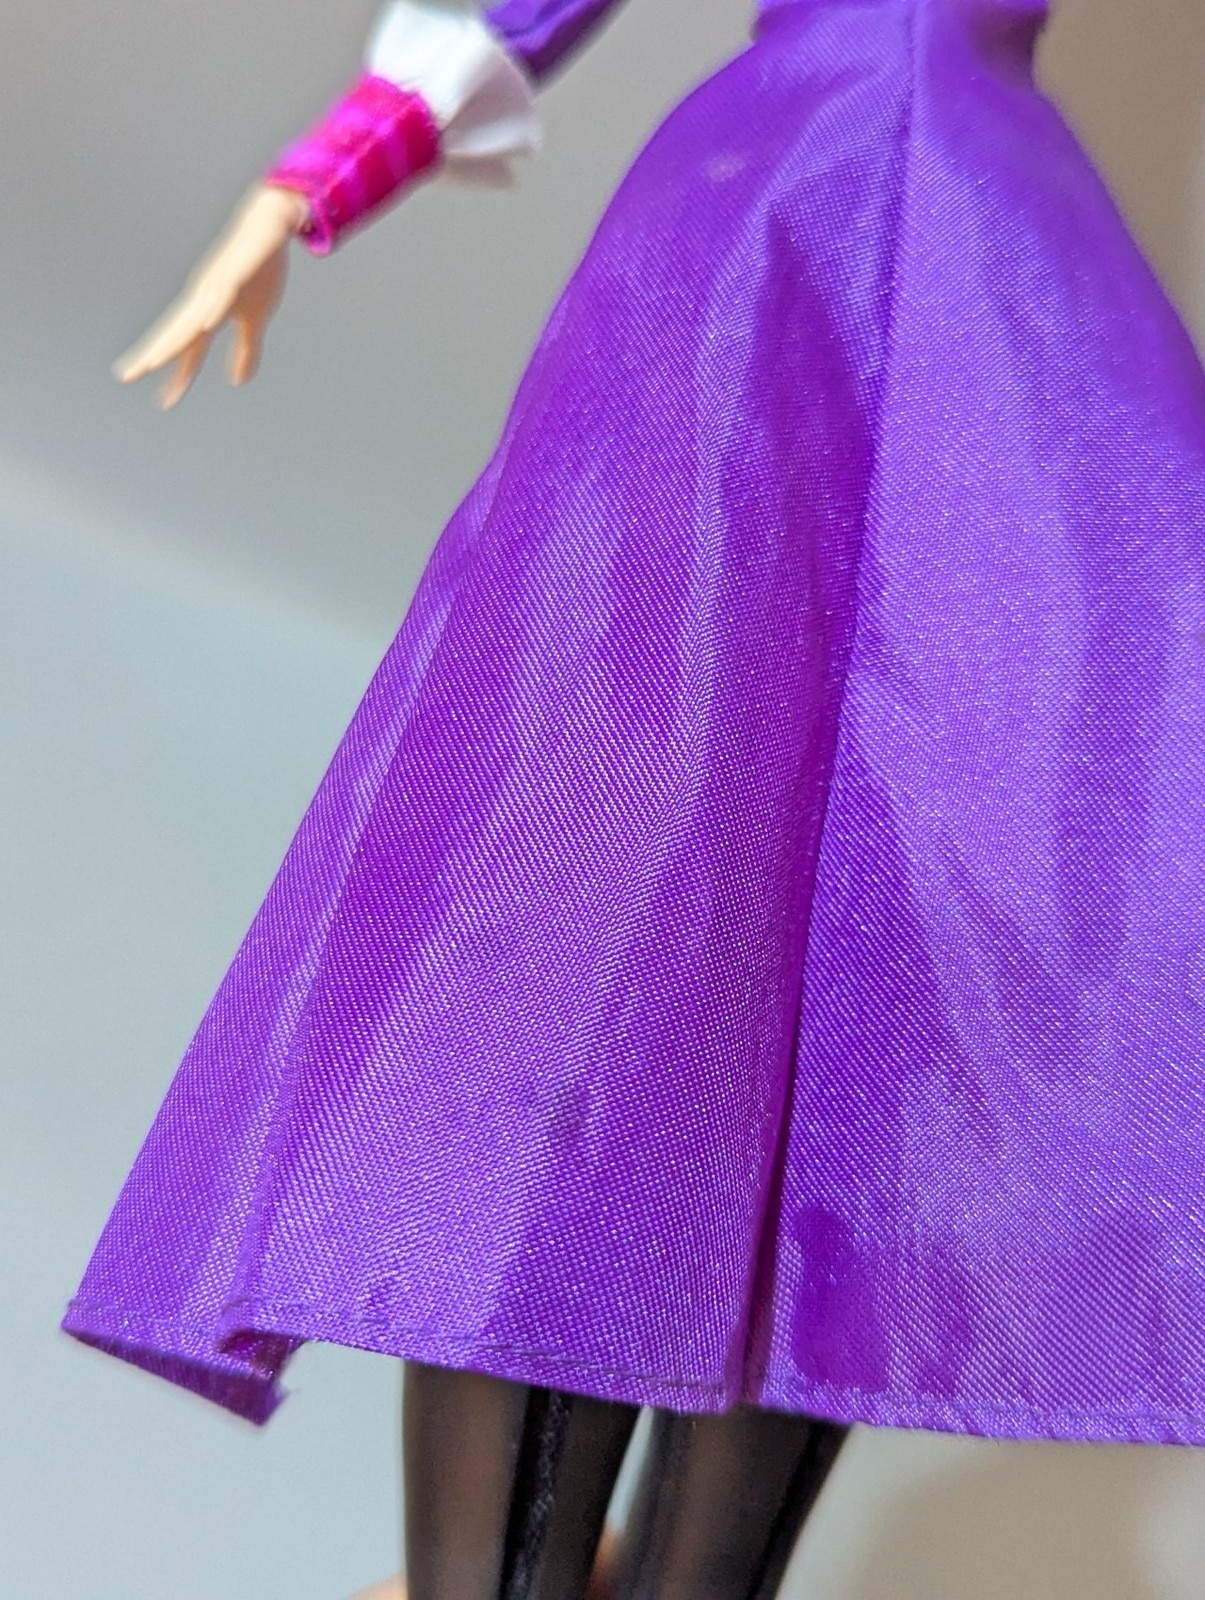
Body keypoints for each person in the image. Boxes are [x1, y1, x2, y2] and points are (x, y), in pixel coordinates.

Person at [63, 1, 1205, 1595]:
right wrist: (316, 175)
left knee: (893, 972)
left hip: (1001, 274)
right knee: (598, 882)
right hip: (765, 227)